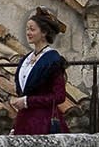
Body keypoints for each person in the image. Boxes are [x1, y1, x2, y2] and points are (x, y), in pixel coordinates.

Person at [10, 7, 69, 135]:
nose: (28, 33)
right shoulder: (26, 60)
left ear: (44, 33)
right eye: (27, 29)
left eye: (32, 29)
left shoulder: (52, 60)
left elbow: (59, 96)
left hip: (43, 122)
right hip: (24, 122)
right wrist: (15, 126)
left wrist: (28, 101)